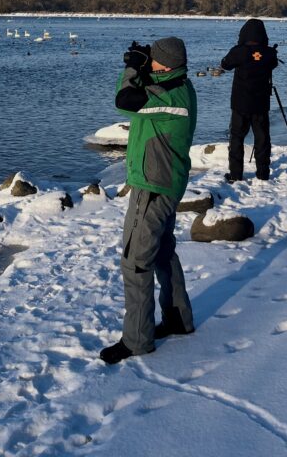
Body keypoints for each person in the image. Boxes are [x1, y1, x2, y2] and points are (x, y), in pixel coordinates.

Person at [100, 36, 197, 365]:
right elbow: (136, 91)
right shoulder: (172, 84)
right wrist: (139, 65)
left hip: (154, 186)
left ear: (166, 66)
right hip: (164, 182)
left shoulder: (169, 95)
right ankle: (178, 318)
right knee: (161, 252)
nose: (148, 65)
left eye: (153, 61)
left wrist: (131, 67)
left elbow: (125, 100)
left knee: (135, 261)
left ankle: (137, 340)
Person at [220, 18, 278, 182]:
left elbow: (225, 65)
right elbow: (273, 64)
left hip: (240, 103)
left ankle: (236, 174)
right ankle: (263, 173)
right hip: (261, 103)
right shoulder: (269, 53)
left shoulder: (238, 51)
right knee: (262, 138)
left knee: (237, 138)